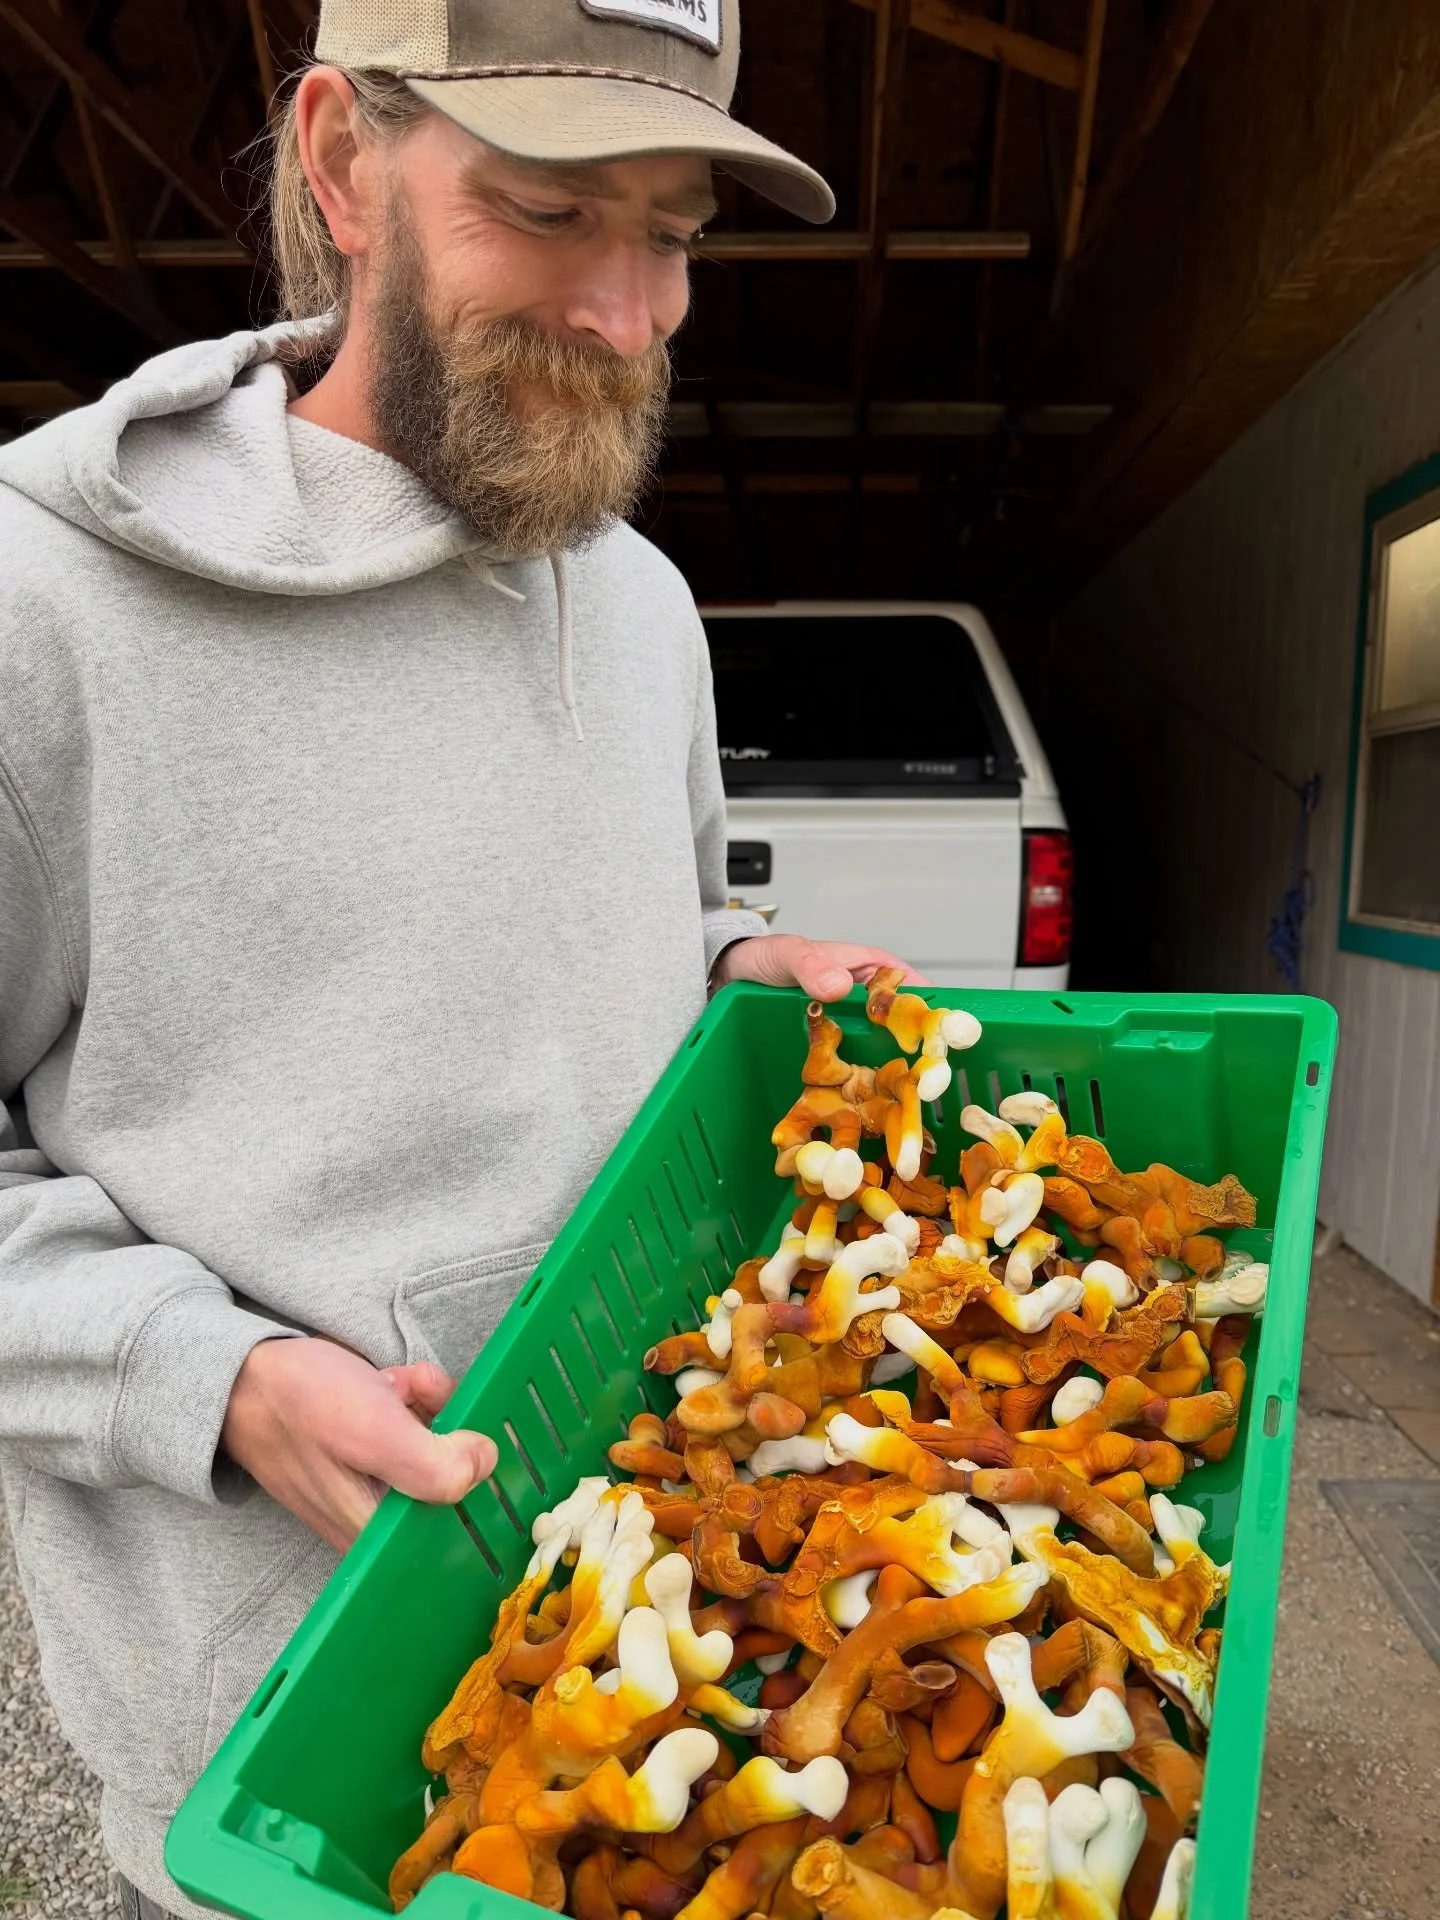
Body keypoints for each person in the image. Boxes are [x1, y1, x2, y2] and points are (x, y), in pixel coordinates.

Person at [0, 3, 922, 1914]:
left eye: (672, 230)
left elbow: (589, 908)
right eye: (550, 208)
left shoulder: (647, 605)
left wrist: (720, 968)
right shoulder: (42, 612)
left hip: (671, 1624)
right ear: (342, 165)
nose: (628, 309)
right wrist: (217, 1376)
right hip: (295, 1762)